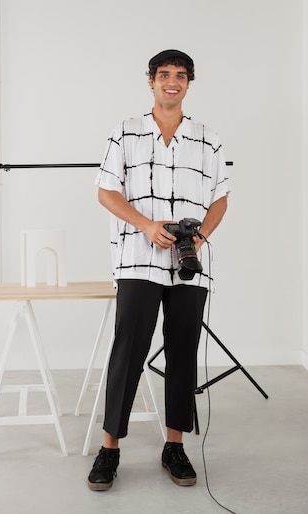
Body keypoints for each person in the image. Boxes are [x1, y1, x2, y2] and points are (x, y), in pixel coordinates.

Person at [87, 49, 230, 491]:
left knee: (183, 349)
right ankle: (109, 448)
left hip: (188, 263)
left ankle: (175, 445)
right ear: (150, 80)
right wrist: (147, 225)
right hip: (137, 258)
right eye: (164, 75)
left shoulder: (208, 139)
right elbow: (107, 193)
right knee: (128, 349)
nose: (172, 82)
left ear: (189, 83)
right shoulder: (125, 132)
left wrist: (201, 236)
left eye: (181, 76)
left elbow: (220, 197)